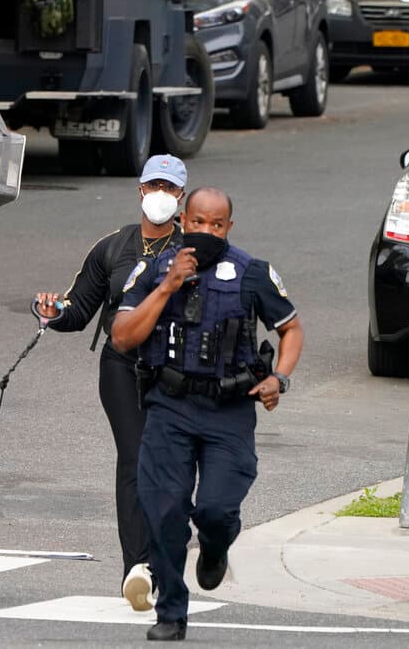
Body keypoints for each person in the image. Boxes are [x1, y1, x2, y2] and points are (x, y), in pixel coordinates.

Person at [110, 187, 304, 642]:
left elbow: (291, 329)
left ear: (228, 228)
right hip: (170, 406)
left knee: (215, 509)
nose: (207, 232)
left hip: (229, 411)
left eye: (217, 225)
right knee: (165, 511)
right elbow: (122, 336)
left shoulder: (253, 273)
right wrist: (168, 286)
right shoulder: (156, 268)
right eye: (198, 222)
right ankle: (171, 613)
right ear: (183, 221)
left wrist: (279, 378)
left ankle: (216, 546)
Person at [35, 154, 188, 612]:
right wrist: (50, 311)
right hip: (121, 366)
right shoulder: (113, 247)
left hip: (175, 369)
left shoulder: (191, 250)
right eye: (153, 185)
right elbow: (78, 309)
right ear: (141, 190)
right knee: (135, 457)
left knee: (174, 465)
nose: (160, 194)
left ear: (180, 197)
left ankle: (165, 555)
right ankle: (136, 568)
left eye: (170, 187)